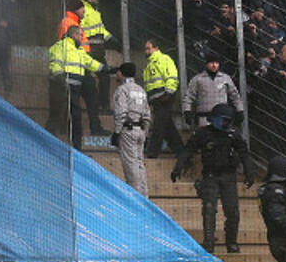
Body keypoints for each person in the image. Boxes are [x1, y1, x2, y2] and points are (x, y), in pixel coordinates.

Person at [171, 103, 254, 254]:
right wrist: (178, 167)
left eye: (228, 121)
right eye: (223, 120)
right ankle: (208, 242)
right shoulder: (203, 134)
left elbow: (244, 153)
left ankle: (232, 242)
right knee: (209, 209)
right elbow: (188, 150)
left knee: (232, 211)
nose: (225, 124)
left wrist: (249, 172)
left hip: (229, 176)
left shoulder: (233, 134)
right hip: (210, 175)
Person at [48, 25, 109, 150]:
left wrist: (106, 69)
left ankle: (76, 146)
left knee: (75, 116)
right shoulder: (61, 46)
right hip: (61, 87)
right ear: (74, 35)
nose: (82, 38)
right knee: (58, 114)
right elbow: (55, 64)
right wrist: (61, 80)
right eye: (81, 35)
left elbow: (91, 63)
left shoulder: (79, 50)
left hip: (75, 88)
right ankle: (49, 142)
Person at [111, 62, 151, 196]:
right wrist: (146, 132)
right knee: (140, 164)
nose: (117, 74)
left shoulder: (122, 90)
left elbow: (121, 113)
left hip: (128, 130)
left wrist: (116, 132)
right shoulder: (141, 90)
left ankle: (136, 200)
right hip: (141, 130)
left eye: (118, 72)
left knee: (131, 166)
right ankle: (145, 197)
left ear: (121, 74)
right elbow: (147, 115)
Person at [143, 38, 184, 158]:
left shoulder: (164, 59)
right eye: (146, 49)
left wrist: (169, 93)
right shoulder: (149, 65)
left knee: (159, 125)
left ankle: (152, 151)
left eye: (148, 48)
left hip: (164, 97)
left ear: (156, 48)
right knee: (167, 126)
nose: (146, 51)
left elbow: (172, 76)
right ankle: (181, 151)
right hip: (157, 99)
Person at [183, 51, 243, 128]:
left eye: (216, 63)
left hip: (222, 118)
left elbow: (235, 96)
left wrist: (240, 110)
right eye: (211, 63)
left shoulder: (225, 78)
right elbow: (188, 97)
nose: (214, 65)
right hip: (203, 118)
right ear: (206, 64)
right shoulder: (197, 79)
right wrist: (187, 111)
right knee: (204, 138)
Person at [79, 0, 116, 111]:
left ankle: (103, 105)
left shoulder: (94, 10)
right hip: (89, 51)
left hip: (97, 50)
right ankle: (97, 106)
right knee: (92, 80)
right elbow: (79, 30)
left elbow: (100, 29)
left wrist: (111, 39)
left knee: (104, 77)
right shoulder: (83, 9)